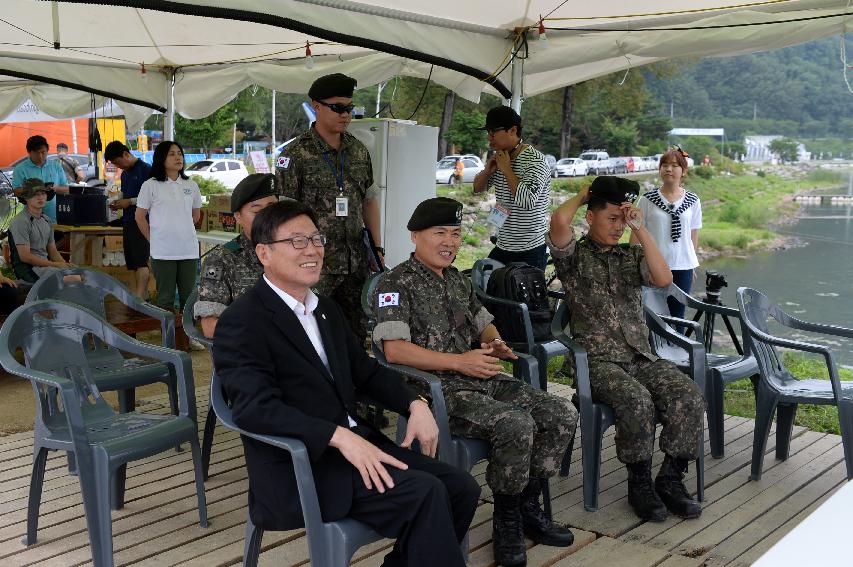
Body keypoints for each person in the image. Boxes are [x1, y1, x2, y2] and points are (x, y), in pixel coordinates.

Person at [212, 200, 480, 566]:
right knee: (427, 493)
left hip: (356, 449)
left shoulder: (324, 310)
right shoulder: (243, 321)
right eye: (296, 241)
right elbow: (255, 409)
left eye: (315, 239)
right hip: (304, 466)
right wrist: (338, 437)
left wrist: (414, 403)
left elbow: (364, 372)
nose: (311, 250)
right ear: (264, 253)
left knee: (461, 487)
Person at [373, 197, 577, 567]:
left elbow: (483, 322)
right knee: (517, 424)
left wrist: (493, 342)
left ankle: (525, 505)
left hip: (479, 378)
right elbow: (395, 351)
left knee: (561, 411)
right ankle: (507, 521)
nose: (449, 242)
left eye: (455, 233)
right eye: (440, 233)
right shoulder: (396, 283)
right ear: (415, 236)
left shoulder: (456, 279)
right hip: (433, 392)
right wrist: (459, 362)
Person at [548, 176, 705, 523]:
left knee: (689, 394)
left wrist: (640, 227)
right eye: (612, 219)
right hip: (598, 363)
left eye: (623, 220)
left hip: (640, 356)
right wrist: (585, 194)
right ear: (590, 217)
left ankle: (670, 478)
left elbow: (664, 280)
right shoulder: (573, 257)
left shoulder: (631, 254)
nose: (619, 227)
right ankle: (639, 483)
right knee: (636, 400)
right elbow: (559, 222)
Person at [276, 73, 381, 340]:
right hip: (313, 263)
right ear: (316, 106)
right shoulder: (295, 155)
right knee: (313, 334)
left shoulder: (359, 151)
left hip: (354, 261)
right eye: (338, 108)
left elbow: (369, 200)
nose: (345, 114)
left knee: (354, 335)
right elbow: (284, 213)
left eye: (349, 108)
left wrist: (377, 249)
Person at [195, 173, 278, 338]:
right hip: (252, 353)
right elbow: (210, 327)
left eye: (272, 208)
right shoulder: (222, 260)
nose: (267, 217)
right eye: (257, 211)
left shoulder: (294, 249)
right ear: (238, 217)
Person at [472, 106, 552, 271]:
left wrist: (507, 169)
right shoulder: (500, 157)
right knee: (486, 287)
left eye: (493, 132)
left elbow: (527, 201)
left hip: (530, 249)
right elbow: (477, 188)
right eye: (488, 132)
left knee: (522, 297)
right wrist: (488, 171)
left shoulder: (536, 161)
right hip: (503, 245)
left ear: (513, 130)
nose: (489, 138)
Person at [632, 147, 702, 320]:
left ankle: (678, 348)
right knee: (653, 316)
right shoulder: (647, 200)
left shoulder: (693, 201)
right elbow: (636, 234)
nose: (668, 169)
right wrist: (638, 264)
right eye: (664, 165)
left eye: (674, 165)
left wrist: (692, 264)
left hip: (683, 267)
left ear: (683, 171)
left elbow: (693, 234)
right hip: (653, 266)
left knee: (678, 315)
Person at [135, 141, 201, 312]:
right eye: (171, 154)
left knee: (189, 299)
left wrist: (180, 228)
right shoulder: (150, 185)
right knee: (165, 299)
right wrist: (153, 238)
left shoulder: (191, 185)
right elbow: (140, 217)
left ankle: (189, 337)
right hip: (163, 251)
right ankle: (168, 338)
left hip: (189, 250)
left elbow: (196, 215)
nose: (178, 157)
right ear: (161, 158)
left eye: (179, 153)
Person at [104, 141, 153, 298]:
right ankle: (140, 295)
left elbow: (154, 197)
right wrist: (118, 202)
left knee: (141, 261)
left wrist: (129, 202)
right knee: (132, 264)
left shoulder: (146, 170)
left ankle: (139, 298)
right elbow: (125, 195)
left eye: (119, 162)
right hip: (128, 221)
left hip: (143, 222)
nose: (119, 167)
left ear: (126, 154)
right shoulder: (125, 175)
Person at [9, 178, 76, 280]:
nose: (40, 197)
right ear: (26, 198)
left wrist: (65, 265)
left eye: (43, 193)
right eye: (35, 194)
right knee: (75, 279)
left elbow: (53, 251)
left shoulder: (46, 220)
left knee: (81, 273)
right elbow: (25, 256)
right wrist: (55, 265)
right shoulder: (21, 221)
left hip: (46, 267)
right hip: (28, 270)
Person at [12, 135, 71, 223]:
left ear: (47, 150)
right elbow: (16, 191)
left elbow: (67, 189)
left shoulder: (55, 165)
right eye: (36, 153)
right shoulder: (20, 169)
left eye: (43, 152)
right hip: (32, 216)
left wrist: (56, 188)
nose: (40, 156)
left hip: (55, 216)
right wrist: (33, 189)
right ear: (29, 152)